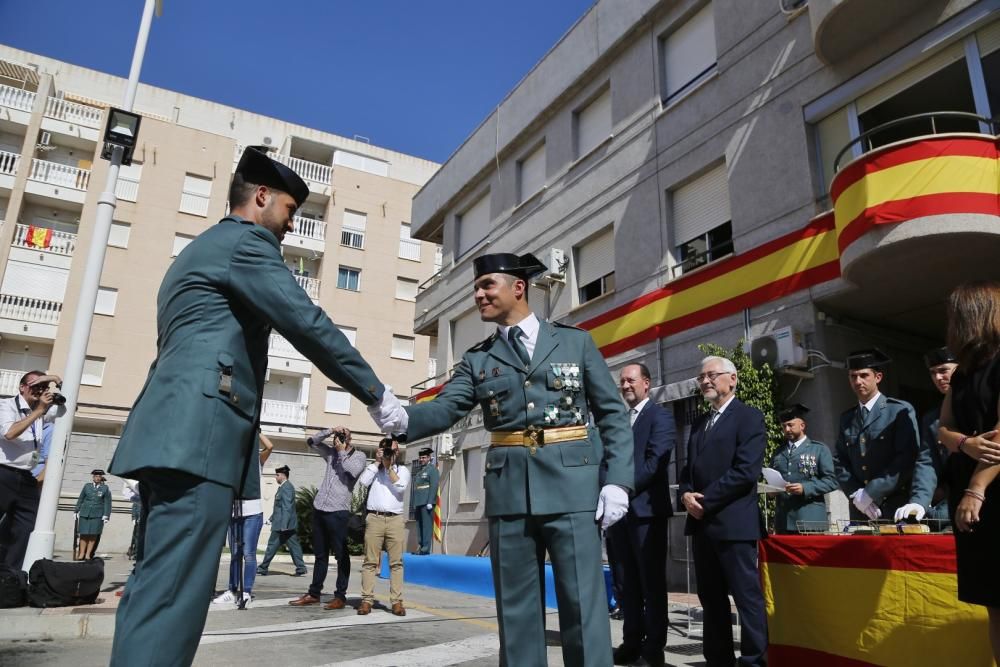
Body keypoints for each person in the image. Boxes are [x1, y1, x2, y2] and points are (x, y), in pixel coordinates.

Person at [108, 146, 402, 667]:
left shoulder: (202, 248)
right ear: (261, 197)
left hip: (169, 432)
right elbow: (306, 323)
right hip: (199, 437)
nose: (290, 226)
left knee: (155, 587)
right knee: (175, 594)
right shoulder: (246, 244)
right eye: (290, 211)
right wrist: (378, 396)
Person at [392, 252, 634, 666]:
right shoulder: (479, 358)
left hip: (573, 489)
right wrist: (396, 416)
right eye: (477, 287)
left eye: (487, 286)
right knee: (517, 610)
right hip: (510, 495)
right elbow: (446, 409)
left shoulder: (575, 342)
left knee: (583, 607)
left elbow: (612, 413)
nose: (479, 295)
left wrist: (618, 481)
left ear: (517, 288)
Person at [678, 355, 768, 667]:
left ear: (733, 379)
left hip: (734, 524)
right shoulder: (701, 423)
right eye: (701, 377)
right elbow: (688, 468)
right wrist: (686, 493)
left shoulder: (749, 417)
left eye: (712, 375)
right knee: (711, 598)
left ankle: (755, 660)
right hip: (702, 526)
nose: (705, 381)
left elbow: (745, 471)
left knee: (746, 598)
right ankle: (718, 659)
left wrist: (704, 500)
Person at [936, 281, 1000, 662]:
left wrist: (975, 489)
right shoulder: (962, 374)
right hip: (974, 504)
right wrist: (965, 443)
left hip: (988, 493)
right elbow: (943, 429)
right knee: (993, 601)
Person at [608, 363, 676, 667]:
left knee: (650, 584)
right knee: (625, 582)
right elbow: (606, 460)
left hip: (646, 513)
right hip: (617, 517)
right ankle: (631, 642)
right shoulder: (620, 421)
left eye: (630, 380)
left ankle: (653, 649)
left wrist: (621, 489)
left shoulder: (660, 417)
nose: (625, 385)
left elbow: (654, 463)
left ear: (646, 383)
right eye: (621, 381)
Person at [833, 349, 919, 521]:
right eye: (853, 376)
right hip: (860, 509)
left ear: (878, 377)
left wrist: (871, 492)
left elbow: (906, 458)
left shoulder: (898, 410)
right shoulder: (847, 418)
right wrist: (856, 493)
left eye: (864, 375)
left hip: (893, 506)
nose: (858, 381)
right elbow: (839, 460)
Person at [287, 426, 367, 609]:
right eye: (339, 435)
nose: (339, 438)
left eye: (343, 435)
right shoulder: (331, 453)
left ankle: (340, 596)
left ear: (350, 439)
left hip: (338, 511)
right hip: (320, 507)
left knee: (341, 555)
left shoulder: (359, 457)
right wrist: (330, 431)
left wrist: (341, 452)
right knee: (320, 554)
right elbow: (311, 442)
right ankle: (314, 593)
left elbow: (351, 472)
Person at [0, 371, 64, 569]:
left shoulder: (42, 409)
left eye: (43, 387)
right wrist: (39, 412)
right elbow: (9, 433)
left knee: (25, 527)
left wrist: (55, 380)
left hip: (26, 477)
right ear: (22, 387)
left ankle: (10, 577)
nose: (40, 390)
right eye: (35, 385)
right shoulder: (6, 405)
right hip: (3, 472)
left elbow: (69, 406)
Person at [895, 347, 958, 526]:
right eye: (933, 373)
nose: (938, 378)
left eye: (944, 370)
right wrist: (919, 502)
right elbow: (927, 462)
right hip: (952, 499)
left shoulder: (982, 407)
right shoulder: (932, 419)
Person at [213, 433, 275, 609]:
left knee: (248, 554)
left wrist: (255, 431)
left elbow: (270, 446)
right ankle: (232, 590)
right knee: (235, 554)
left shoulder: (257, 458)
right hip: (234, 512)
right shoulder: (232, 460)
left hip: (253, 512)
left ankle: (246, 591)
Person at [357, 438, 411, 616]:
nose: (390, 454)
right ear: (380, 450)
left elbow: (401, 487)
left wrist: (388, 468)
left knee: (396, 563)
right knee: (370, 561)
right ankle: (366, 600)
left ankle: (396, 602)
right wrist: (377, 463)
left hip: (395, 519)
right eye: (386, 450)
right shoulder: (375, 469)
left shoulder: (402, 470)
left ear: (398, 453)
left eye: (393, 451)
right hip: (375, 518)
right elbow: (363, 482)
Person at [769, 404, 838, 534]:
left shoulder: (819, 449)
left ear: (802, 426)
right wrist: (771, 491)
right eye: (784, 426)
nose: (787, 429)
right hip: (783, 521)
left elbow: (832, 481)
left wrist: (805, 488)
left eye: (790, 425)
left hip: (810, 520)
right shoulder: (778, 452)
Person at [257, 464, 308, 577]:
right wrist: (271, 518)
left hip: (282, 525)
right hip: (285, 524)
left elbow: (287, 507)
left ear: (283, 476)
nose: (276, 477)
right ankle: (301, 568)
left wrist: (284, 524)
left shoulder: (287, 487)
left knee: (272, 545)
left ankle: (262, 568)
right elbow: (279, 507)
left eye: (277, 475)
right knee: (294, 546)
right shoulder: (284, 487)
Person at [74, 469, 111, 560]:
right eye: (96, 476)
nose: (98, 478)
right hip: (85, 513)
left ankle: (88, 554)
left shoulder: (105, 488)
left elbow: (107, 502)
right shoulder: (87, 486)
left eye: (99, 476)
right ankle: (81, 553)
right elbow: (81, 498)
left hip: (98, 514)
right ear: (93, 477)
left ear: (101, 478)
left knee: (93, 535)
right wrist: (76, 510)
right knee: (83, 534)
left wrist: (106, 515)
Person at [409, 447, 439, 555]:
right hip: (419, 502)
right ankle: (421, 546)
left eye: (424, 457)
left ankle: (425, 548)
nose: (421, 459)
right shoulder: (421, 470)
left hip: (427, 502)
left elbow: (434, 485)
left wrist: (430, 501)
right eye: (420, 457)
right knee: (419, 525)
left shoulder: (432, 469)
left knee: (426, 526)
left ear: (429, 458)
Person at [122, 479, 141, 561]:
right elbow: (135, 506)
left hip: (146, 518)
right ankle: (136, 553)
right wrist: (133, 517)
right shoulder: (137, 493)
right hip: (138, 519)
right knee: (137, 537)